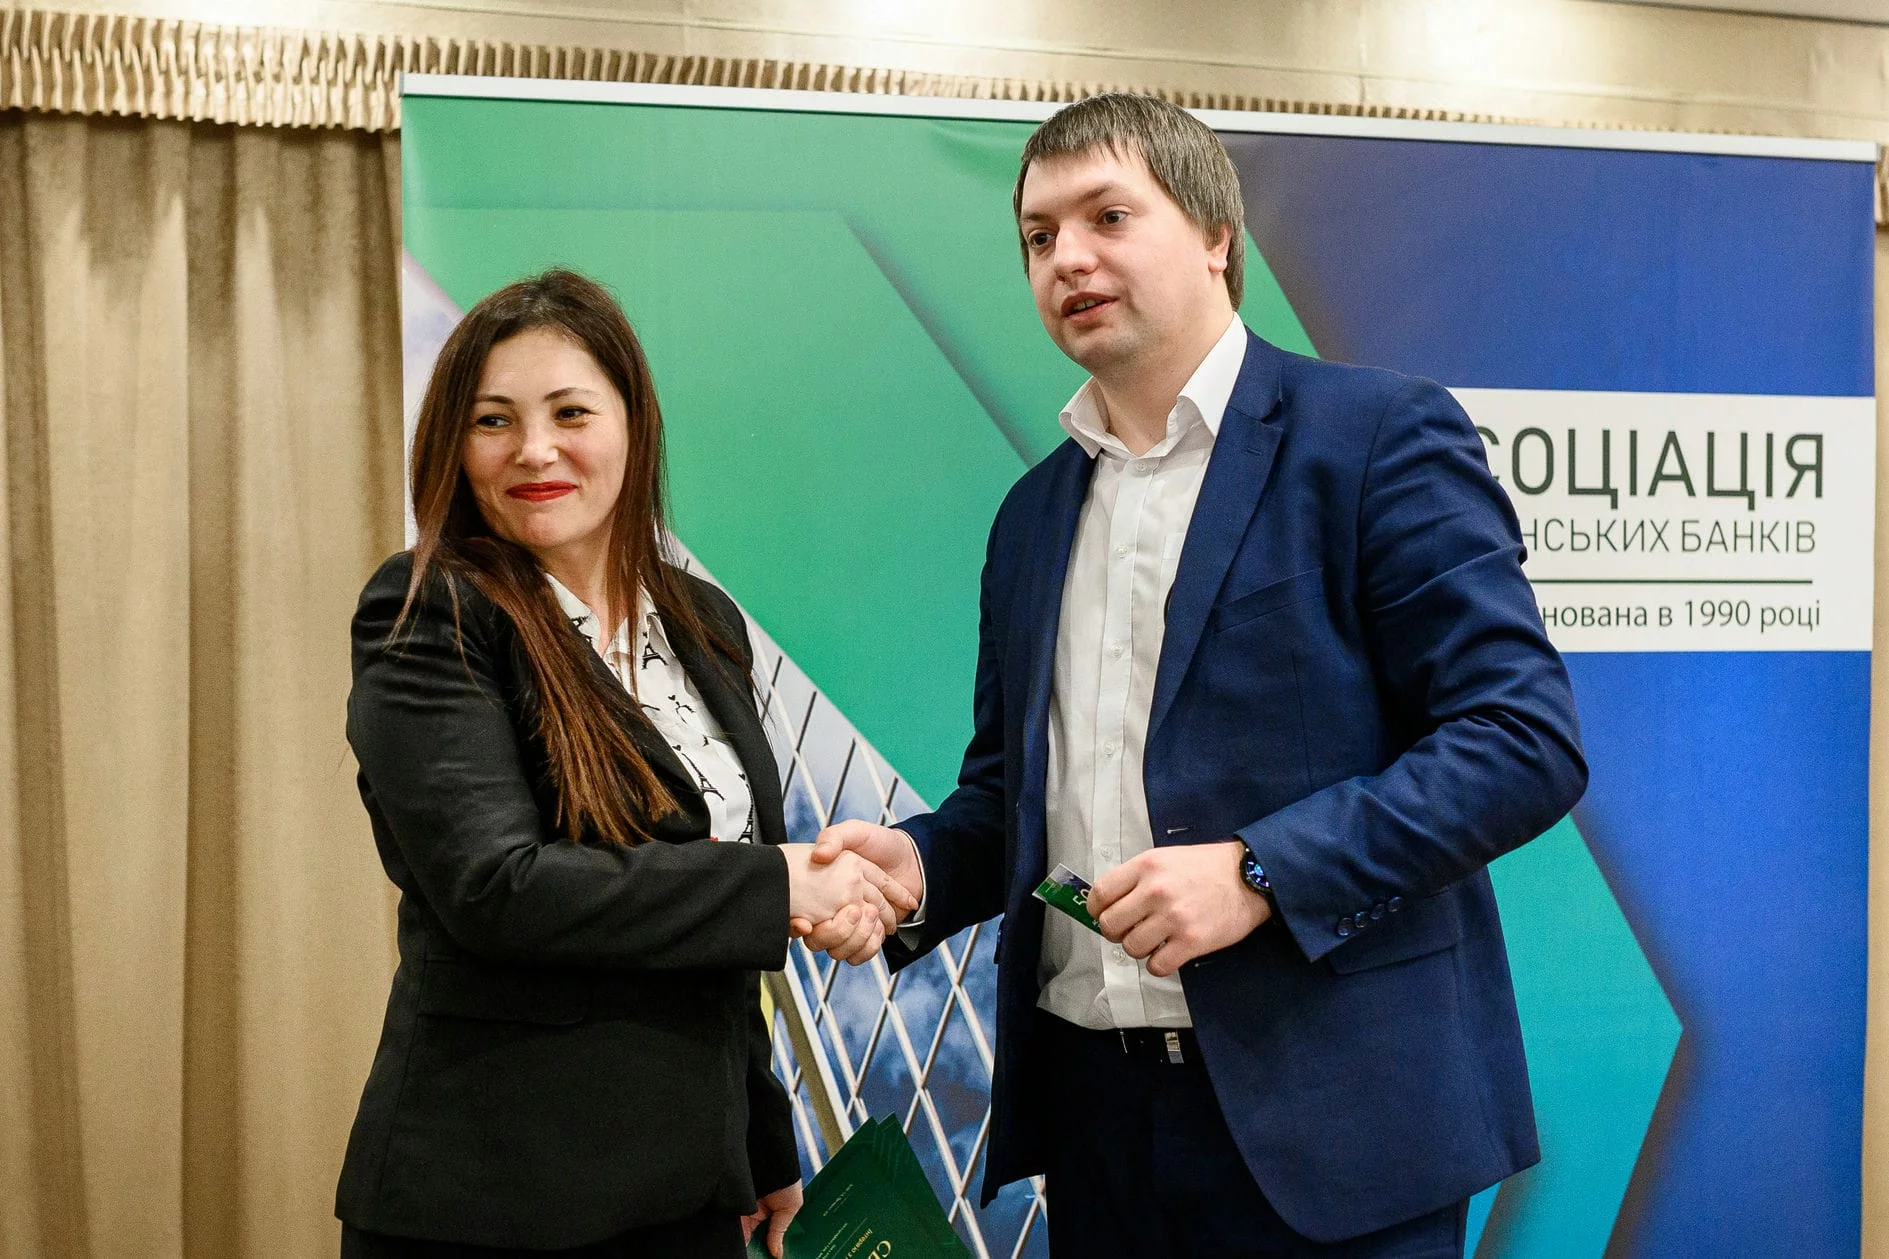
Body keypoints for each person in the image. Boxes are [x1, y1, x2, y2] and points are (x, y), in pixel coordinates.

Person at [799, 94, 1587, 1257]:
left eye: (1106, 216)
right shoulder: (1031, 516)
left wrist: (1259, 871)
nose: (1067, 257)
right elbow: (1013, 793)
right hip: (1097, 1122)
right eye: (1037, 236)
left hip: (1335, 1125)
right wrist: (916, 863)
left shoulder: (1373, 438)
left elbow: (1520, 741)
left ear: (1216, 235)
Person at [335, 269, 914, 1259]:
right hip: (495, 1198)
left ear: (633, 427)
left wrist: (761, 1146)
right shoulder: (429, 608)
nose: (534, 449)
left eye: (571, 412)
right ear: (453, 446)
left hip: (686, 1195)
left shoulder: (702, 623)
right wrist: (778, 882)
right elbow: (496, 888)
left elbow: (713, 942)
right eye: (493, 420)